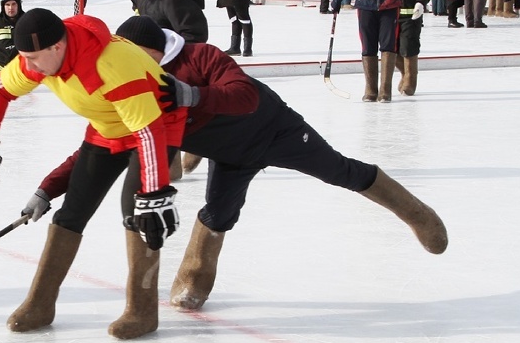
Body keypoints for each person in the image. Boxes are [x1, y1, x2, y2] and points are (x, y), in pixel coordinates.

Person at [27, 16, 447, 313]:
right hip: (230, 157)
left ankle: (416, 212)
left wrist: (193, 95)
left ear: (158, 50)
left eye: (138, 56)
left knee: (340, 170)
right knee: (218, 214)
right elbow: (103, 144)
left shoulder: (199, 57)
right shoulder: (130, 88)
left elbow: (243, 95)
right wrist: (50, 187)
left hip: (274, 130)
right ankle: (192, 278)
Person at [0, 8, 180, 340]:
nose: (29, 67)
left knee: (138, 212)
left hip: (157, 124)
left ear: (57, 47)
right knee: (71, 213)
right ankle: (40, 304)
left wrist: (154, 195)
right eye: (24, 58)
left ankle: (142, 310)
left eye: (33, 59)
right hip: (108, 128)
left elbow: (148, 132)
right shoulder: (38, 58)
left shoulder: (111, 65)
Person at [393, 0, 436, 96]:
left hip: (411, 13)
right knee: (390, 48)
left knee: (408, 47)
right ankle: (405, 73)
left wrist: (421, 2)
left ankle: (410, 81)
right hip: (389, 12)